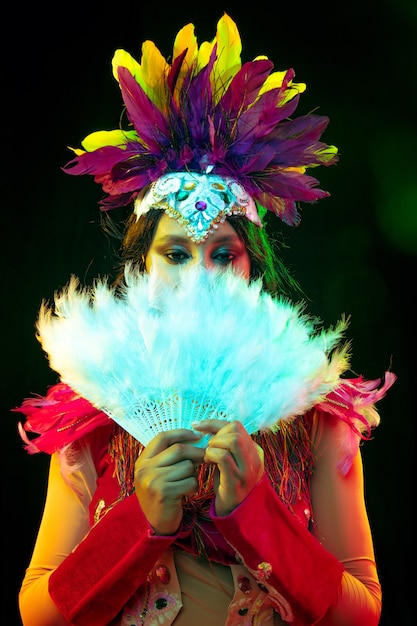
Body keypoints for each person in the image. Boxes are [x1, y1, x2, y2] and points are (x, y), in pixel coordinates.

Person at [15, 13, 396, 626]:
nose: (197, 276)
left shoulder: (320, 422)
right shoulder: (89, 418)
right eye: (174, 254)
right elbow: (38, 613)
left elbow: (363, 613)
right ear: (141, 266)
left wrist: (254, 510)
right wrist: (142, 516)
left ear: (253, 268)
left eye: (223, 254)